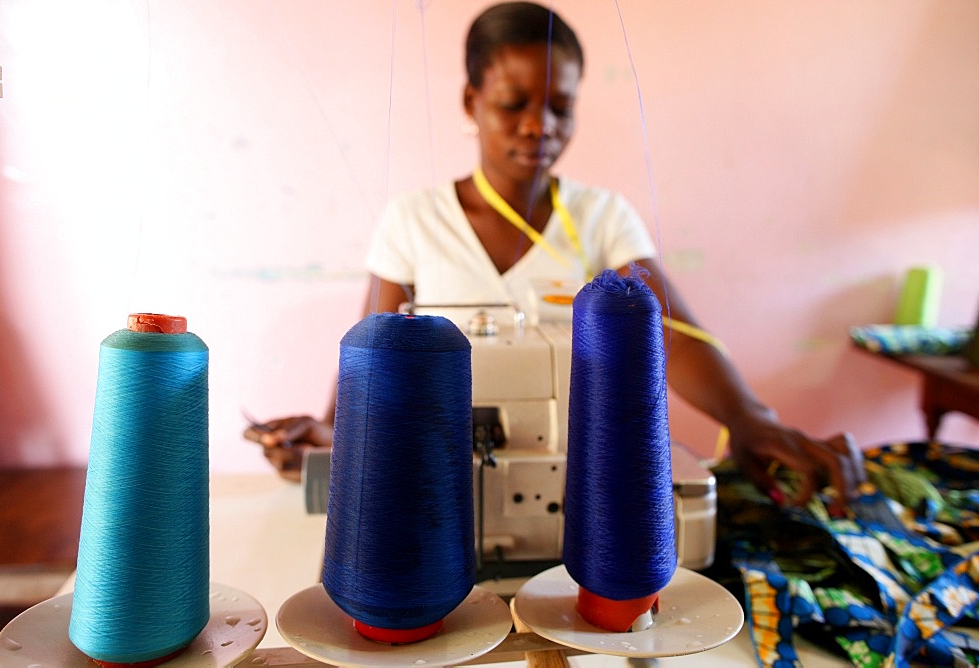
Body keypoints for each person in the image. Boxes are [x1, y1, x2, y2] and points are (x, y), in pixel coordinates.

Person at [245, 1, 864, 510]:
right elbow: (370, 364)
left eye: (560, 106)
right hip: (439, 486)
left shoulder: (602, 219)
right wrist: (329, 439)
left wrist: (753, 420)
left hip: (576, 486)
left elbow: (668, 335)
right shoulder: (414, 220)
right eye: (515, 103)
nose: (540, 125)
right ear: (470, 101)